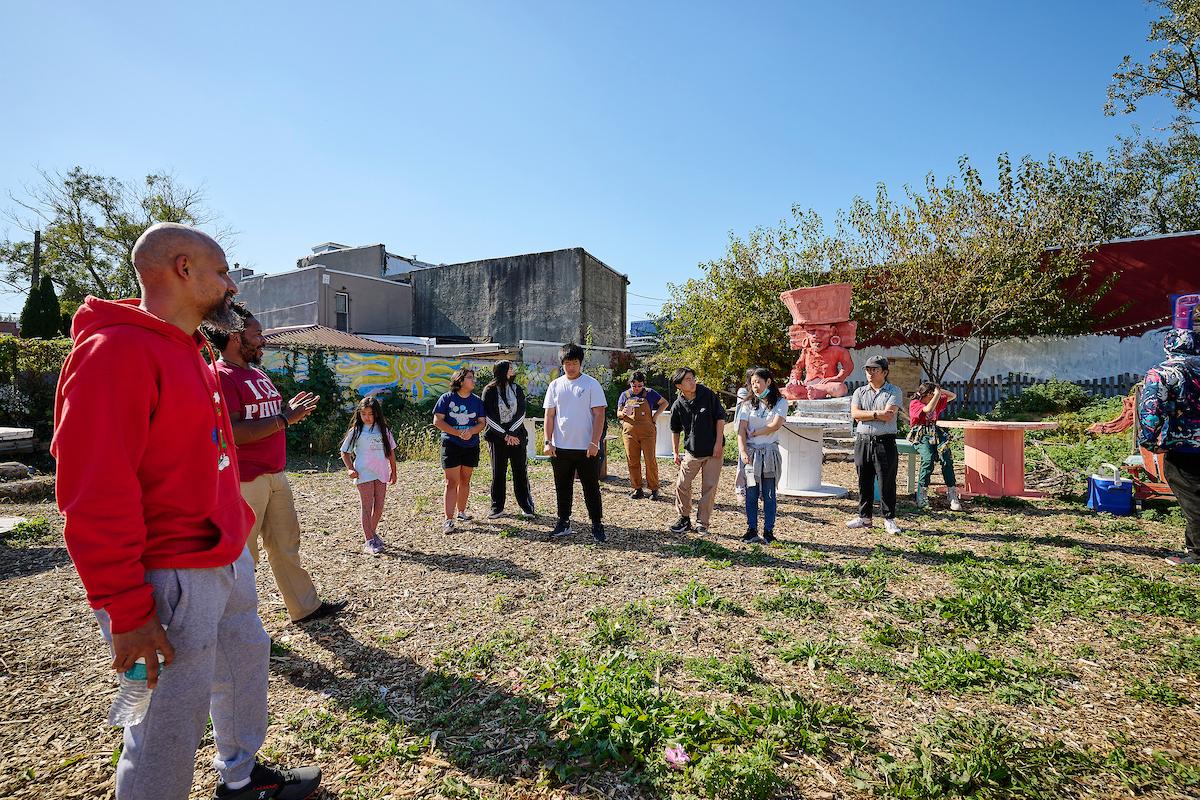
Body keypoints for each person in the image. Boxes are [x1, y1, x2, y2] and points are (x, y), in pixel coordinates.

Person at [52, 223, 320, 800]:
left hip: (221, 557)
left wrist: (233, 534)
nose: (230, 285)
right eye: (222, 272)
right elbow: (92, 490)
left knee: (244, 662)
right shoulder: (114, 352)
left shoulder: (186, 347)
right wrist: (126, 608)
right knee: (164, 721)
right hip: (167, 576)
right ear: (182, 269)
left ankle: (242, 776)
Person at [209, 305, 347, 625]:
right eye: (257, 334)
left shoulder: (256, 372)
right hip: (244, 481)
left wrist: (288, 409)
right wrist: (285, 418)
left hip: (275, 473)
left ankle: (305, 608)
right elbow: (231, 433)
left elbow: (266, 415)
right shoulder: (219, 376)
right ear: (234, 337)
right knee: (244, 558)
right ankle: (238, 625)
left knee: (286, 545)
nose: (263, 340)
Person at [1138, 328, 1200, 566]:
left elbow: (1151, 410)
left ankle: (1197, 554)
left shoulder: (1163, 373)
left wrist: (1149, 440)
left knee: (1192, 498)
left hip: (1184, 444)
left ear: (1168, 347)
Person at [542, 342, 608, 542]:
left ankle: (596, 524)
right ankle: (563, 522)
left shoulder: (591, 384)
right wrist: (547, 441)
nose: (571, 367)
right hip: (560, 447)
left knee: (591, 487)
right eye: (567, 363)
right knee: (562, 486)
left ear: (581, 363)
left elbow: (599, 415)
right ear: (562, 363)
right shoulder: (555, 385)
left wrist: (594, 442)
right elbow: (549, 415)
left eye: (575, 363)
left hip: (586, 448)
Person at [847, 355, 904, 535]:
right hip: (863, 440)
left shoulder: (894, 391)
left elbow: (889, 415)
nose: (870, 373)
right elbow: (855, 414)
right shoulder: (859, 392)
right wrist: (877, 414)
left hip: (884, 441)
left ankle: (889, 518)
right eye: (868, 370)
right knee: (863, 480)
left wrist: (868, 414)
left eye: (875, 370)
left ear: (884, 372)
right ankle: (865, 517)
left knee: (886, 480)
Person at [668, 368, 726, 534]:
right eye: (687, 380)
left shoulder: (707, 395)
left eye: (693, 378)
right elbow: (675, 429)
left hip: (713, 451)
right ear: (679, 385)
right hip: (692, 452)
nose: (692, 382)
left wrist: (718, 444)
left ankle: (702, 523)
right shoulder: (678, 404)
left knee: (709, 488)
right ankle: (684, 518)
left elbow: (720, 419)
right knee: (682, 484)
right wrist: (675, 452)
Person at [340, 396, 398, 555]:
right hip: (364, 473)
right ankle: (369, 541)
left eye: (370, 414)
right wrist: (350, 469)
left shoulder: (384, 430)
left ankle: (371, 533)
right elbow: (344, 452)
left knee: (379, 506)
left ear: (377, 414)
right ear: (359, 414)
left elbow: (390, 453)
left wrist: (394, 470)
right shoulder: (356, 431)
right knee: (367, 506)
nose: (367, 417)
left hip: (381, 473)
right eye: (363, 413)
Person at [737, 368, 788, 544]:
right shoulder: (747, 404)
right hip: (751, 457)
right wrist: (743, 451)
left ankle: (768, 530)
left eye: (758, 382)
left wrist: (757, 433)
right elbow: (741, 430)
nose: (755, 386)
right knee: (751, 492)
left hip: (769, 456)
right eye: (752, 383)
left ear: (768, 382)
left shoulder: (780, 402)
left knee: (769, 493)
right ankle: (751, 529)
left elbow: (775, 425)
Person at [433, 368, 488, 534]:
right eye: (470, 377)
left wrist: (471, 431)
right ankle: (448, 520)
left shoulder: (477, 401)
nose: (474, 380)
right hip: (451, 445)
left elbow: (482, 422)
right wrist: (457, 433)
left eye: (473, 377)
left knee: (465, 480)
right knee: (451, 483)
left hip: (471, 445)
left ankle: (462, 512)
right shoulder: (446, 398)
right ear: (460, 380)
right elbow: (437, 421)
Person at [481, 360, 536, 519]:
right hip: (497, 438)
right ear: (502, 370)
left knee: (520, 471)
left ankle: (526, 506)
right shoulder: (489, 390)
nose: (513, 370)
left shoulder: (517, 388)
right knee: (498, 472)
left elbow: (521, 412)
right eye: (510, 367)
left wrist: (512, 432)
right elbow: (488, 416)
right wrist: (504, 435)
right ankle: (497, 508)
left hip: (517, 436)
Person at [908, 381, 963, 511]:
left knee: (946, 457)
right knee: (928, 458)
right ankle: (922, 493)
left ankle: (952, 493)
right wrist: (936, 394)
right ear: (925, 395)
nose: (934, 397)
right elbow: (928, 409)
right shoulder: (915, 403)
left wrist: (938, 390)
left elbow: (953, 396)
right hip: (920, 434)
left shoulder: (936, 399)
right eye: (931, 395)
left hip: (935, 433)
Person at [616, 370, 668, 500]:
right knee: (632, 461)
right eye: (634, 385)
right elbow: (618, 412)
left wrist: (655, 416)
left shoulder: (649, 393)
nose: (637, 388)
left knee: (650, 460)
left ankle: (654, 489)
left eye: (640, 385)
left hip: (647, 432)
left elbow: (664, 403)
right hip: (629, 432)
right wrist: (623, 414)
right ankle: (637, 488)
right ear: (630, 384)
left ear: (643, 384)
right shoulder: (625, 395)